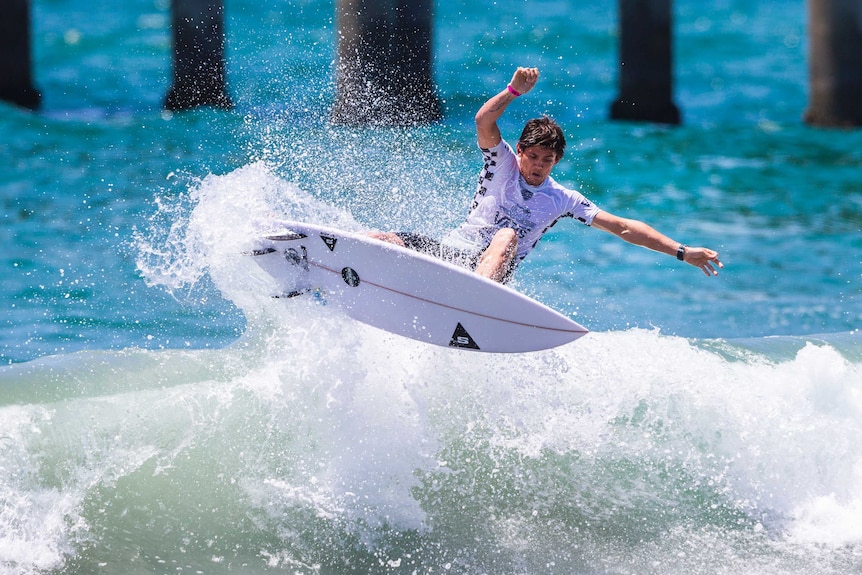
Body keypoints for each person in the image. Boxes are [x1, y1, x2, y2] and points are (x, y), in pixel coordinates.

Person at [370, 66, 723, 283]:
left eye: (548, 160)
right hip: (452, 256)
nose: (539, 165)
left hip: (491, 276)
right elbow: (483, 121)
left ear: (557, 161)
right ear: (520, 151)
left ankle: (477, 296)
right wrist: (513, 92)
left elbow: (624, 227)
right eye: (534, 156)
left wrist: (682, 251)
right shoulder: (502, 162)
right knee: (384, 241)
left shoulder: (562, 199)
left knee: (507, 235)